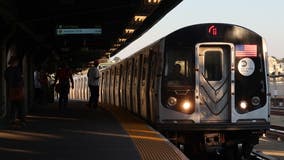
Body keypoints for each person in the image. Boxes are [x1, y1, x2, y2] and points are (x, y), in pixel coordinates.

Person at [4, 55, 26, 126]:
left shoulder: (7, 70)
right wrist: (22, 85)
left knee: (13, 105)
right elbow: (20, 80)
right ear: (15, 62)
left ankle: (12, 119)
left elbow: (6, 79)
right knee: (21, 105)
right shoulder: (18, 69)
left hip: (10, 90)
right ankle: (22, 120)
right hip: (18, 90)